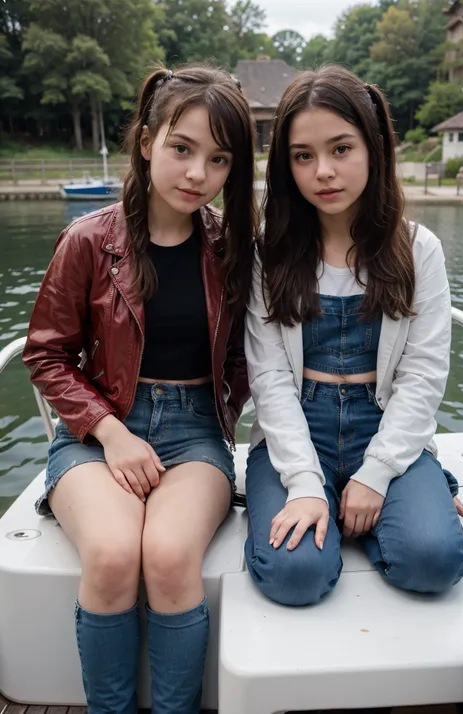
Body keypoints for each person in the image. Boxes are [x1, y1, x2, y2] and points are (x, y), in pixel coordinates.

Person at [23, 64, 256, 714]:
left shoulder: (230, 247)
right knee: (112, 552)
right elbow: (46, 356)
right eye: (182, 148)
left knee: (170, 556)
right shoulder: (88, 241)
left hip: (195, 433)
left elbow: (244, 357)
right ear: (148, 139)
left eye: (218, 159)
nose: (197, 174)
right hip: (99, 430)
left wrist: (223, 418)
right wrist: (111, 431)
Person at [244, 66, 463, 607]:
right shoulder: (269, 253)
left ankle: (416, 491)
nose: (323, 171)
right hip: (297, 426)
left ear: (374, 148)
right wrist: (302, 481)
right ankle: (333, 498)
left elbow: (421, 375)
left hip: (385, 421)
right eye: (303, 156)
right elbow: (270, 378)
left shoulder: (419, 251)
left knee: (435, 560)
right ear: (286, 165)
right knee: (293, 575)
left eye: (341, 148)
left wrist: (375, 475)